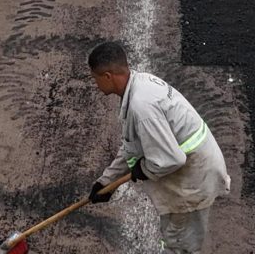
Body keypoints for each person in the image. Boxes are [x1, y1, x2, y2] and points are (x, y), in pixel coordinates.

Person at [88, 41, 230, 254]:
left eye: (96, 79)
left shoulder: (142, 107)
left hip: (193, 180)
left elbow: (171, 159)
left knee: (180, 245)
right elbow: (132, 147)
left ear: (107, 76)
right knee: (176, 239)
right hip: (193, 170)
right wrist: (106, 181)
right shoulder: (139, 85)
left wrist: (142, 170)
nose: (96, 85)